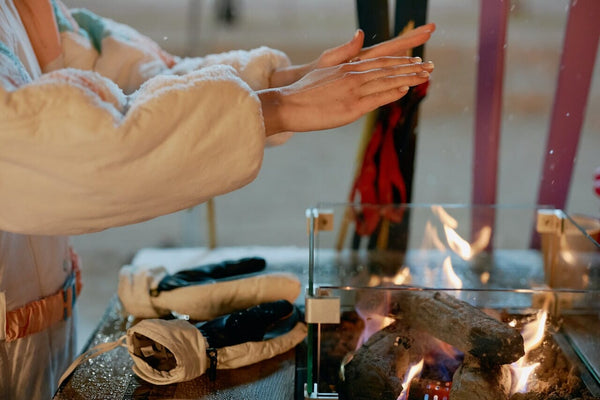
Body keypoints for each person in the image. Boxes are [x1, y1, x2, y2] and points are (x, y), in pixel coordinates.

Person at [0, 0, 435, 398]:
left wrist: (292, 81)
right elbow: (55, 151)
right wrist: (280, 105)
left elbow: (122, 72)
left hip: (43, 344)